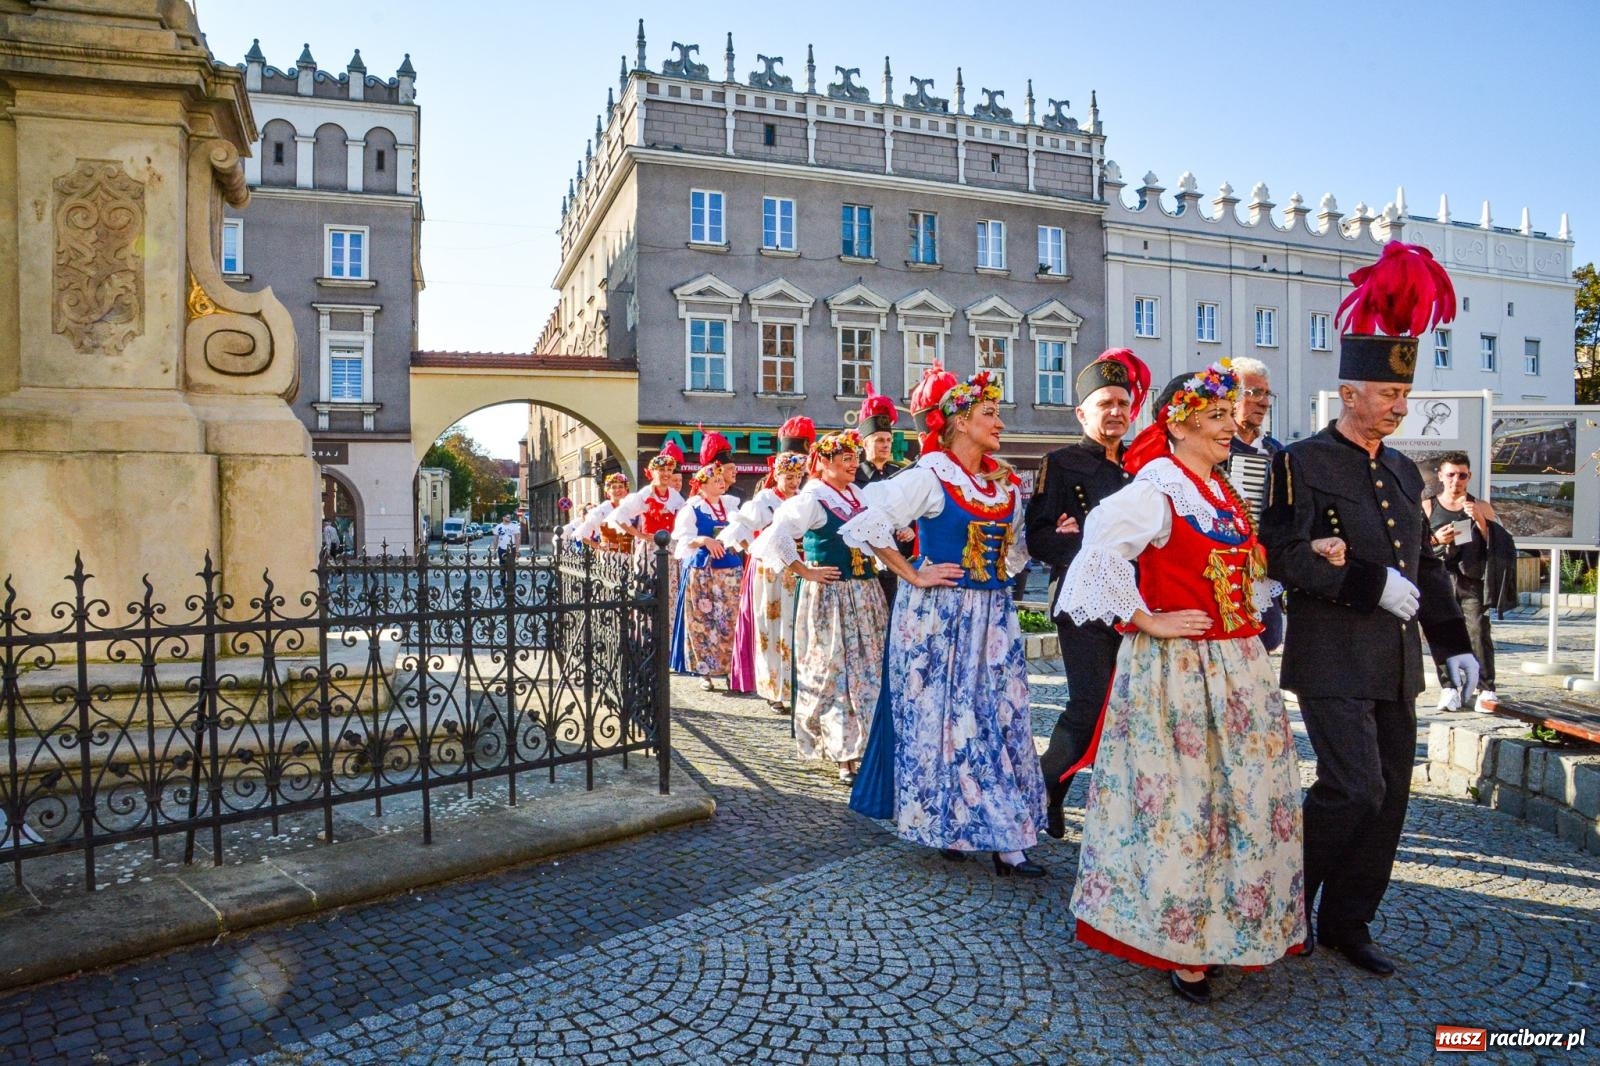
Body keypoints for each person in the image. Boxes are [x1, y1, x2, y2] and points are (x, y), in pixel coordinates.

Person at [1060, 362, 1309, 1004]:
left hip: (1237, 670)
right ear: (1183, 421)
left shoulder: (1219, 490)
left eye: (1234, 415)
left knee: (1241, 802)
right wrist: (1145, 617)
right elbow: (1093, 560)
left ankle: (1230, 924)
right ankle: (1182, 943)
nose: (1235, 425)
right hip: (1178, 674)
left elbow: (1244, 572)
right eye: (1221, 416)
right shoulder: (1157, 488)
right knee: (1185, 805)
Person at [1262, 241, 1478, 978]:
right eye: (1388, 394)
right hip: (1330, 656)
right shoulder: (1301, 460)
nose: (1400, 405)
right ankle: (1285, 904)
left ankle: (1348, 923)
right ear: (1351, 391)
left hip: (1393, 664)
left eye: (1404, 395)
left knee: (1389, 802)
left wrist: (1452, 643)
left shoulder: (1400, 466)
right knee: (1352, 789)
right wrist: (1363, 583)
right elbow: (1282, 557)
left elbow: (1421, 562)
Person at [843, 367, 1047, 875]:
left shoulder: (1001, 485)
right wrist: (911, 572)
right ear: (958, 423)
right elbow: (866, 522)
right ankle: (981, 833)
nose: (1000, 422)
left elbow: (1017, 552)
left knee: (997, 714)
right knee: (949, 722)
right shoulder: (929, 477)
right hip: (938, 618)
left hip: (993, 616)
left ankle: (988, 825)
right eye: (989, 414)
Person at [1024, 348, 1150, 839]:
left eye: (1123, 402)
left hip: (1140, 604)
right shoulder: (1060, 463)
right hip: (1083, 605)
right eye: (1105, 404)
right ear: (1083, 412)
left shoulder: (1144, 464)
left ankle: (1112, 810)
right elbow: (1039, 537)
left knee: (1131, 709)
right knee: (1090, 704)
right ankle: (1046, 785)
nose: (1116, 411)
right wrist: (1076, 537)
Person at [752, 430, 886, 782]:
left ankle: (868, 747)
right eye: (846, 459)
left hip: (865, 593)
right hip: (832, 597)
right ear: (825, 463)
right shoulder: (813, 498)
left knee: (868, 671)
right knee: (834, 671)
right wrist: (804, 571)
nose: (854, 464)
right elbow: (777, 535)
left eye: (855, 458)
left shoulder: (858, 494)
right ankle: (844, 754)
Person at [723, 416, 815, 706]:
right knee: (772, 628)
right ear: (778, 474)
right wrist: (752, 547)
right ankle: (775, 689)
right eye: (789, 476)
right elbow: (740, 526)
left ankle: (798, 686)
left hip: (799, 568)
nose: (793, 481)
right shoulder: (766, 498)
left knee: (798, 627)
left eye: (798, 476)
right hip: (773, 571)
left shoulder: (804, 497)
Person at [1426, 452, 1507, 713]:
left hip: (1470, 579)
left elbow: (1501, 544)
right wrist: (1437, 539)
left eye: (1462, 475)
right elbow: (1413, 544)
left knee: (1478, 630)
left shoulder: (1480, 505)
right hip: (1438, 579)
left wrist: (1481, 521)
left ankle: (1486, 689)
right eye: (1450, 474)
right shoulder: (1427, 506)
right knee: (1442, 633)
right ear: (1440, 475)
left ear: (1469, 477)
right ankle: (1449, 688)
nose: (1456, 480)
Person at [1227, 356, 1286, 652]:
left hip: (1263, 570)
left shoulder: (1275, 451)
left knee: (1269, 638)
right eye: (1254, 393)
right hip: (1223, 570)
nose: (1264, 402)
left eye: (1267, 394)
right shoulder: (1215, 447)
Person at [670, 456, 744, 690]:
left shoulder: (731, 505)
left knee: (730, 620)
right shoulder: (692, 508)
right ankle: (705, 672)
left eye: (722, 479)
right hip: (703, 571)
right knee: (702, 620)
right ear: (702, 484)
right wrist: (703, 539)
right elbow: (683, 539)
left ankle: (732, 669)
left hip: (730, 570)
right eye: (715, 480)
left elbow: (742, 533)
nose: (721, 483)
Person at [854, 383, 915, 611]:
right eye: (879, 440)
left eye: (888, 440)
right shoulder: (854, 476)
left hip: (897, 561)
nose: (886, 445)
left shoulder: (900, 472)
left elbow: (912, 512)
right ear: (865, 443)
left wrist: (910, 529)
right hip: (864, 561)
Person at [609, 441, 686, 599]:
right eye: (662, 470)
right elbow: (619, 516)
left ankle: (669, 623)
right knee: (650, 590)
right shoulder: (645, 494)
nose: (666, 474)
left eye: (669, 470)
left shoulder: (675, 495)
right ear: (652, 472)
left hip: (671, 547)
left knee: (671, 591)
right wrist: (640, 535)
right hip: (650, 549)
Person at [575, 473, 635, 553]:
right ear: (608, 491)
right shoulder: (602, 510)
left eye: (621, 486)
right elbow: (581, 534)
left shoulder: (632, 507)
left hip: (631, 556)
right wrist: (598, 546)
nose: (618, 490)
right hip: (610, 557)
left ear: (626, 489)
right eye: (613, 487)